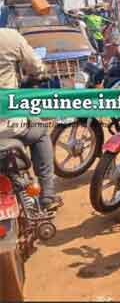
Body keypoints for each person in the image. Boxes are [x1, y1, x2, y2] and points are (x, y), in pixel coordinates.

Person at [0, 28, 61, 210]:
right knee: (40, 131)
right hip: (9, 124)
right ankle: (48, 196)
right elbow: (35, 66)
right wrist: (41, 72)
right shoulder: (9, 36)